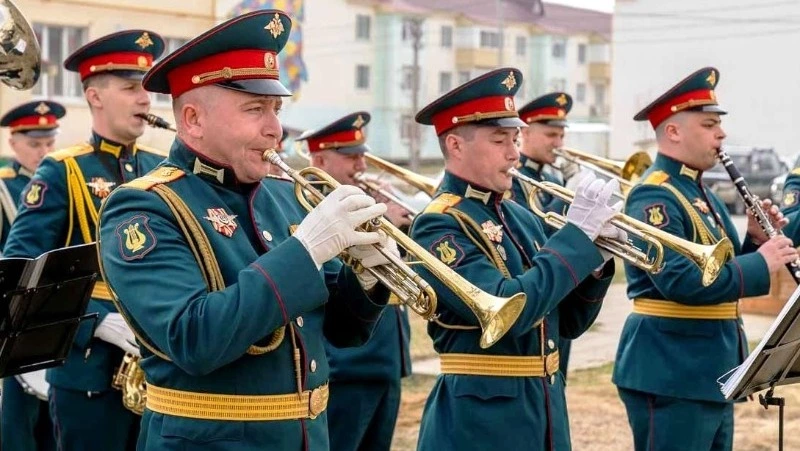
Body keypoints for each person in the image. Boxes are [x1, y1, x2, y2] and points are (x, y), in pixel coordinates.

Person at [96, 10, 397, 450]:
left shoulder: (279, 194)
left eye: (276, 108)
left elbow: (339, 331)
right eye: (255, 109)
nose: (275, 129)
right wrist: (305, 251)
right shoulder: (145, 206)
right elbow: (193, 338)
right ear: (194, 120)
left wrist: (366, 278)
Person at [410, 67, 622, 450]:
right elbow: (513, 309)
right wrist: (574, 242)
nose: (514, 153)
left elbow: (568, 322)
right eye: (499, 141)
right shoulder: (438, 224)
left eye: (515, 138)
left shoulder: (521, 216)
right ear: (455, 145)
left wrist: (596, 261)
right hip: (480, 422)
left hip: (543, 408)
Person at [612, 67, 799, 451]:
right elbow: (680, 281)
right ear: (674, 132)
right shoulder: (654, 197)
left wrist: (753, 239)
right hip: (670, 371)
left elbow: (722, 272)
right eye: (710, 124)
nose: (722, 134)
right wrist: (761, 262)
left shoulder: (702, 192)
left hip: (709, 369)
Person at [3, 30, 168, 449]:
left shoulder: (161, 169)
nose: (145, 99)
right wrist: (93, 321)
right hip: (88, 374)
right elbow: (20, 271)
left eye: (147, 89)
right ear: (94, 97)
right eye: (131, 88)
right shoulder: (61, 170)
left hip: (159, 371)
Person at [298, 111, 412, 450]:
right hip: (347, 366)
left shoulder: (362, 200)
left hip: (386, 357)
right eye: (350, 157)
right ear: (319, 159)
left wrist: (400, 227)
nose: (360, 165)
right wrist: (383, 218)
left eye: (362, 155)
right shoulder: (308, 206)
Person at [0, 100, 65, 451]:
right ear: (13, 143)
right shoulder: (3, 190)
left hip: (57, 315)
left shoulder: (64, 180)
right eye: (34, 144)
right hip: (17, 317)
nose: (43, 151)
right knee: (19, 428)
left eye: (49, 143)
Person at [512, 91, 582, 378]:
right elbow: (535, 235)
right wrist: (569, 196)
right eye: (551, 135)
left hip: (559, 296)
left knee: (556, 381)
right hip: (533, 292)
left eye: (561, 136)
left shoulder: (552, 180)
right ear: (525, 132)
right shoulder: (511, 180)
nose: (559, 144)